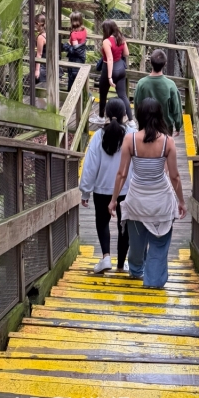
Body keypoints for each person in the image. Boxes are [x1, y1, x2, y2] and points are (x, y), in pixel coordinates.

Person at [109, 98, 186, 289]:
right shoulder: (168, 142)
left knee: (136, 244)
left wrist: (113, 201)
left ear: (140, 116)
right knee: (159, 246)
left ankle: (135, 271)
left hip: (136, 201)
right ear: (160, 116)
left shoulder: (130, 139)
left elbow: (122, 174)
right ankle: (153, 282)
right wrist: (181, 201)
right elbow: (175, 176)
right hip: (161, 202)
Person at [80, 98, 135, 273]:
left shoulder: (98, 136)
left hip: (102, 188)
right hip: (126, 189)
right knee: (124, 225)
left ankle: (105, 257)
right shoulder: (132, 134)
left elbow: (90, 165)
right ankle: (121, 264)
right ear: (124, 115)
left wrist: (85, 192)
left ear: (106, 114)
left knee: (102, 222)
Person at [133, 48, 183, 136]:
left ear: (150, 62)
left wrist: (140, 122)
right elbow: (176, 108)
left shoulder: (141, 84)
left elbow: (137, 105)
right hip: (165, 128)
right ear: (165, 64)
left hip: (145, 127)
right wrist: (178, 125)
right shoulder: (170, 85)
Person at [97, 19, 132, 124]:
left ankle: (101, 117)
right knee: (123, 95)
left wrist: (109, 77)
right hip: (121, 68)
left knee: (103, 94)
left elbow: (109, 59)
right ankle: (131, 121)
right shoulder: (121, 38)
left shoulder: (106, 41)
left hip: (109, 69)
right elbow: (126, 53)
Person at [62, 11, 88, 91]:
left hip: (74, 60)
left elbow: (76, 49)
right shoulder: (84, 30)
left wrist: (66, 46)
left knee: (72, 82)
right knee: (79, 80)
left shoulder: (74, 34)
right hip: (82, 58)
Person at [34, 14, 46, 85]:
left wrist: (37, 70)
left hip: (42, 66)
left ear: (38, 24)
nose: (35, 27)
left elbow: (39, 53)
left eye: (35, 25)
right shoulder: (48, 33)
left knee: (39, 89)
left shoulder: (41, 37)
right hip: (48, 64)